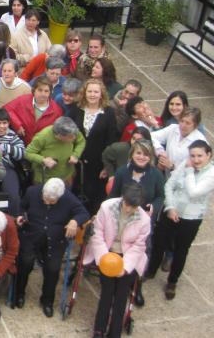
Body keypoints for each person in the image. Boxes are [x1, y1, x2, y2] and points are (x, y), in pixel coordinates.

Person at [146, 140, 214, 299]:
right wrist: (170, 207)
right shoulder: (186, 163)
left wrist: (189, 171)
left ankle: (172, 281)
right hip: (171, 211)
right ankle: (151, 270)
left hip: (191, 218)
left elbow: (194, 192)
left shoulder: (210, 173)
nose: (196, 159)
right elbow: (169, 185)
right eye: (192, 156)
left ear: (208, 155)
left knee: (181, 250)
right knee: (159, 242)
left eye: (200, 156)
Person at [15, 178, 89, 317]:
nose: (47, 202)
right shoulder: (32, 191)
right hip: (31, 234)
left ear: (60, 196)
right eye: (46, 199)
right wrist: (20, 216)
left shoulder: (68, 197)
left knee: (53, 269)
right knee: (25, 262)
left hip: (55, 239)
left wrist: (74, 221)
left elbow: (84, 213)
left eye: (52, 201)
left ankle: (47, 301)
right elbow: (22, 207)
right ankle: (19, 294)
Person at [85, 184, 150, 338]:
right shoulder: (107, 207)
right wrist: (103, 259)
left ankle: (115, 332)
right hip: (107, 253)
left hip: (127, 257)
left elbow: (138, 246)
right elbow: (97, 233)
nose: (128, 209)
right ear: (123, 199)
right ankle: (99, 329)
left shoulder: (144, 219)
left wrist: (125, 267)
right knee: (107, 293)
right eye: (127, 204)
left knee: (121, 295)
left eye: (133, 207)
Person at [68, 78, 119, 213]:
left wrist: (107, 166)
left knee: (94, 197)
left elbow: (111, 140)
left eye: (96, 92)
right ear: (84, 93)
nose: (92, 94)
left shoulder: (108, 113)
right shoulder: (76, 109)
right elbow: (68, 133)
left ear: (101, 94)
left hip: (98, 164)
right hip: (76, 161)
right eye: (89, 91)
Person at [0, 109, 26, 215]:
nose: (1, 126)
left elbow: (22, 153)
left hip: (7, 167)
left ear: (8, 123)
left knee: (13, 195)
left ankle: (15, 220)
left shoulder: (12, 135)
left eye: (4, 123)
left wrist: (7, 148)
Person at [25, 116, 86, 185]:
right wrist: (43, 160)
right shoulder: (43, 136)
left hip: (67, 176)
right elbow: (27, 153)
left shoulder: (72, 131)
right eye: (70, 137)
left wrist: (75, 155)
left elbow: (81, 141)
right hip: (46, 179)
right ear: (59, 136)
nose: (74, 137)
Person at [4, 75, 63, 145]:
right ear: (34, 90)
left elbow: (57, 133)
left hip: (41, 149)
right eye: (40, 90)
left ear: (50, 93)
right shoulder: (23, 100)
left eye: (46, 91)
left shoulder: (57, 111)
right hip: (20, 144)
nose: (43, 94)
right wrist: (17, 125)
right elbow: (6, 109)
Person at [151, 107, 206, 173]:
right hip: (167, 178)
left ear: (196, 125)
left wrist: (173, 167)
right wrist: (160, 152)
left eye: (187, 123)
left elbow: (198, 170)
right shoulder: (173, 128)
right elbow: (151, 136)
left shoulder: (200, 141)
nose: (183, 125)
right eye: (181, 121)